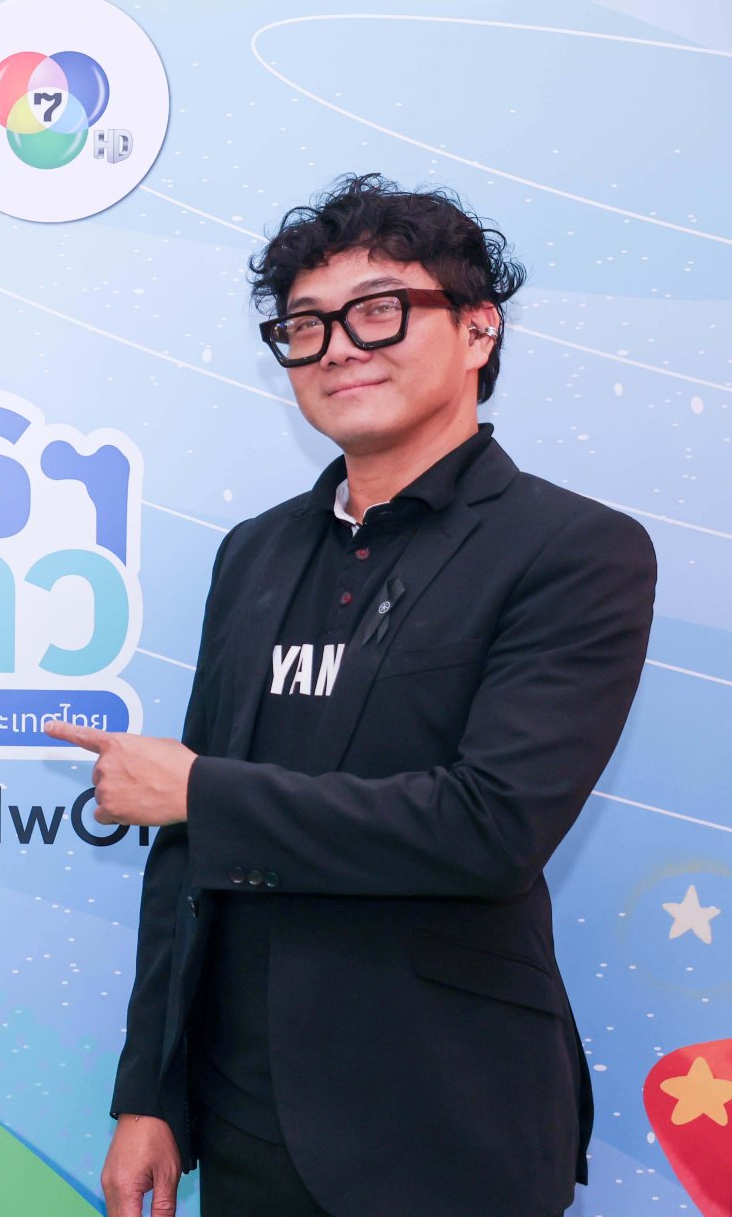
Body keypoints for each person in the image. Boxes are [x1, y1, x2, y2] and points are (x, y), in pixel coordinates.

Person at [46, 174, 657, 1217]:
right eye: (306, 326)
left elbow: (489, 827)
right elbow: (185, 858)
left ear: (478, 329)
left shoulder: (574, 550)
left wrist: (201, 792)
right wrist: (151, 1092)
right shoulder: (255, 552)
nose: (337, 348)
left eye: (379, 311)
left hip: (449, 1121)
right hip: (245, 1117)